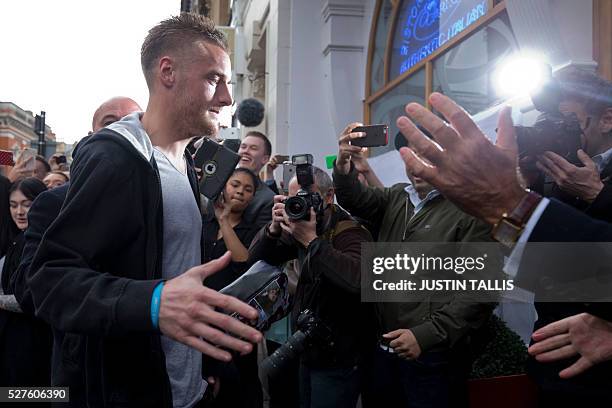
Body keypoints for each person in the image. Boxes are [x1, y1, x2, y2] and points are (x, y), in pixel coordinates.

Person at [26, 14, 261, 408]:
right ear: (167, 71)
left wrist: (205, 368)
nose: (227, 99)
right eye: (213, 80)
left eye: (228, 84)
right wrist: (151, 303)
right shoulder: (117, 160)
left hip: (187, 392)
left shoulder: (186, 164)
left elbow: (178, 274)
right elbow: (49, 281)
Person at [394, 91, 612, 400]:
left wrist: (513, 201)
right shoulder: (553, 183)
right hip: (557, 368)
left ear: (607, 119)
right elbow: (523, 255)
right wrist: (511, 203)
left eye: (569, 123)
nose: (551, 132)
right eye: (546, 123)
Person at [333, 122, 497, 408]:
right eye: (410, 155)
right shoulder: (398, 197)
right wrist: (344, 161)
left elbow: (479, 291)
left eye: (427, 155)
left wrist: (424, 335)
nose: (416, 165)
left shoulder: (469, 209)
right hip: (385, 349)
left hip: (434, 357)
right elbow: (353, 198)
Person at [249, 165, 374, 408]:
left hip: (340, 353)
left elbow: (359, 281)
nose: (301, 204)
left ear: (329, 196)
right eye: (295, 198)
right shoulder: (299, 226)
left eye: (308, 196)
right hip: (309, 346)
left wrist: (311, 241)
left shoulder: (349, 231)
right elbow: (256, 260)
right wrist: (272, 230)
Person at [202, 167, 262, 408]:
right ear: (223, 188)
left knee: (239, 386)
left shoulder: (254, 230)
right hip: (203, 315)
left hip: (235, 321)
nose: (240, 192)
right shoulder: (202, 223)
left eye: (248, 189)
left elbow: (242, 264)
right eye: (235, 185)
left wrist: (224, 220)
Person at [0, 177, 51, 389]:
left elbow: (33, 297)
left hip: (34, 341)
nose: (19, 212)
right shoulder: (18, 238)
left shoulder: (41, 242)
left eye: (27, 204)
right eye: (13, 205)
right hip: (14, 340)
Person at [237, 131, 275, 228]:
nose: (245, 151)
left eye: (253, 148)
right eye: (243, 147)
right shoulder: (219, 182)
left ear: (265, 159)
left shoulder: (267, 199)